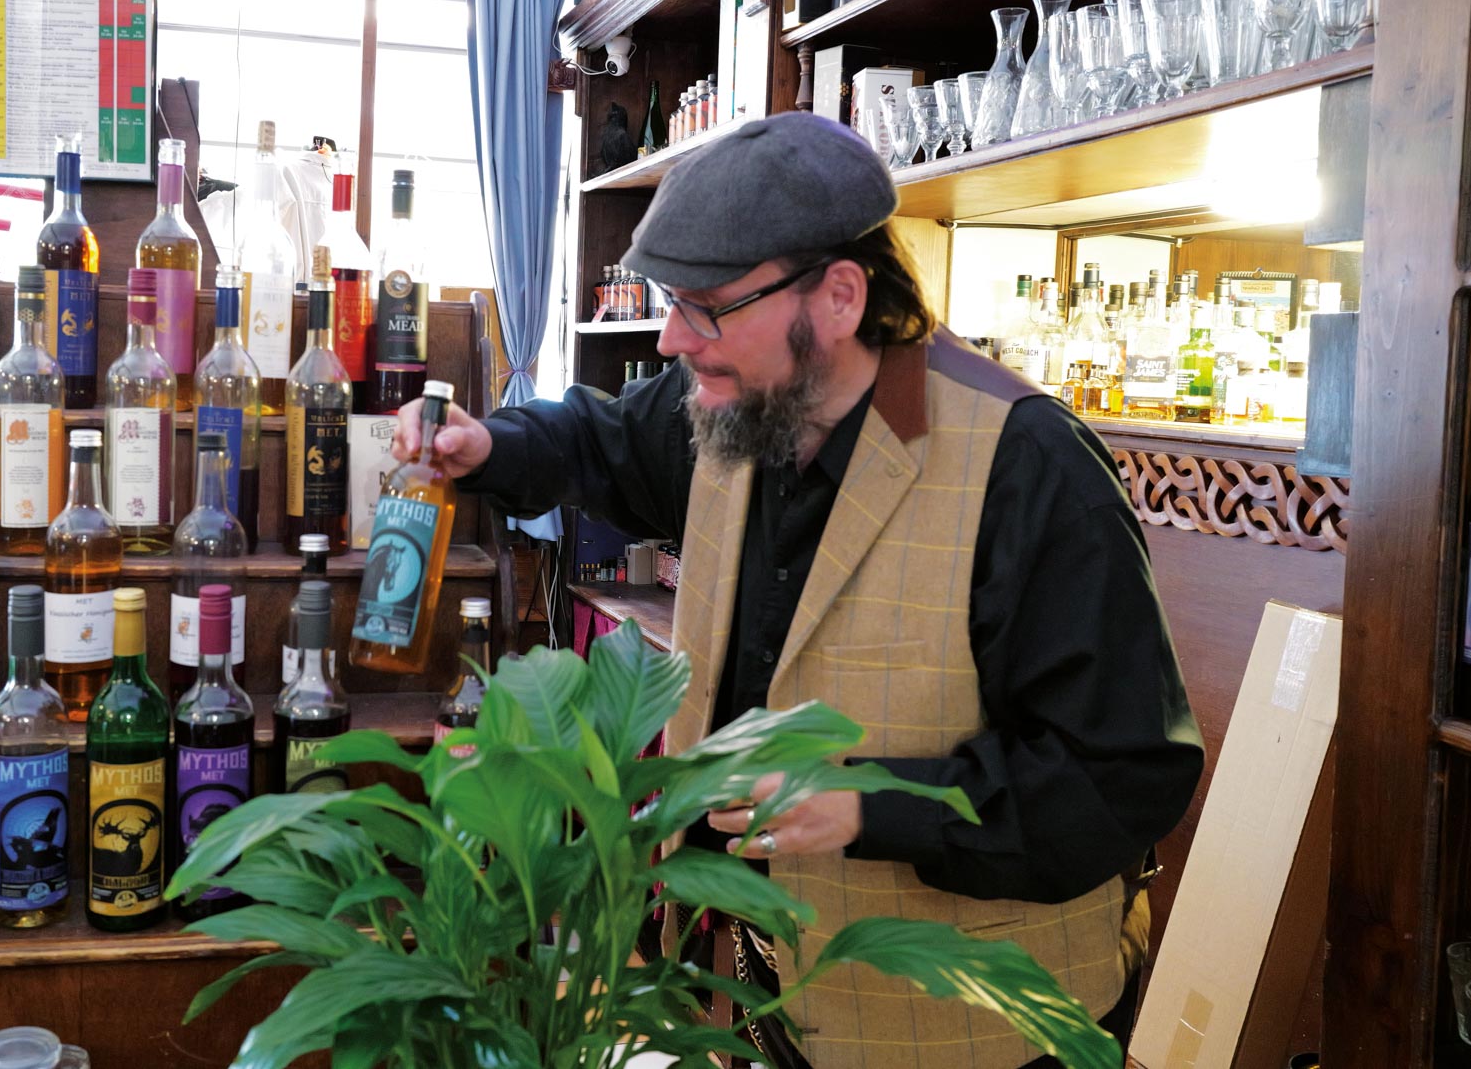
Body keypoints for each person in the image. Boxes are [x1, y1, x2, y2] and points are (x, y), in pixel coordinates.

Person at [392, 112, 1203, 1069]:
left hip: (976, 1032)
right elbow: (600, 438)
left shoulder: (1027, 466)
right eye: (669, 303)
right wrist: (489, 446)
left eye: (706, 307)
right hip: (753, 1003)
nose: (670, 338)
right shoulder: (735, 406)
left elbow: (1120, 779)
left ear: (840, 297)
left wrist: (865, 806)